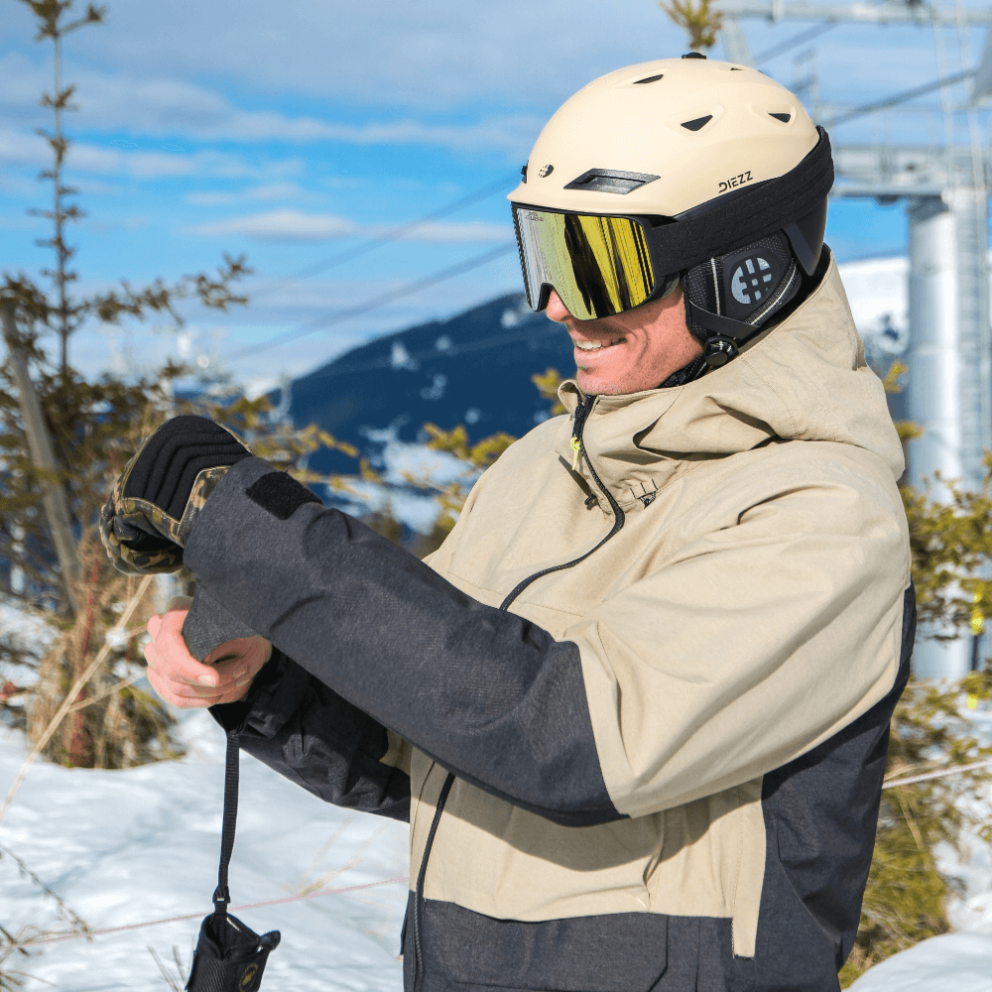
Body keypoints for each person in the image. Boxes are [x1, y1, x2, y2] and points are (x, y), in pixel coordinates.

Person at [104, 55, 914, 992]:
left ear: (746, 271)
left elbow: (564, 738)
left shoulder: (820, 515)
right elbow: (438, 724)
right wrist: (270, 680)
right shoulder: (545, 467)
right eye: (547, 254)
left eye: (602, 265)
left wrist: (258, 531)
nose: (558, 306)